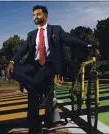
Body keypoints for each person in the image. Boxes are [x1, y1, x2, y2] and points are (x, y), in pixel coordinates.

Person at [6, 5, 95, 133]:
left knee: (33, 92)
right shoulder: (31, 35)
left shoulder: (56, 30)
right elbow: (22, 50)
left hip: (50, 64)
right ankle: (38, 90)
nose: (35, 17)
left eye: (38, 14)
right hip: (34, 66)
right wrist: (12, 61)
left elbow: (70, 39)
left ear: (46, 16)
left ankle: (34, 122)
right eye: (33, 15)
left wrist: (88, 45)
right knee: (15, 71)